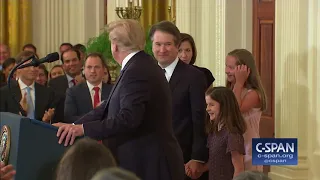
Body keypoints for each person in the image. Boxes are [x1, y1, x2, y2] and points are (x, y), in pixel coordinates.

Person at [54, 19, 185, 180]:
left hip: (149, 165)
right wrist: (74, 126)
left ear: (114, 45)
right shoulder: (138, 65)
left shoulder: (136, 70)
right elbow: (107, 107)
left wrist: (83, 129)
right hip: (145, 162)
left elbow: (128, 118)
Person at [187, 86, 246, 180]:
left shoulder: (232, 134)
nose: (207, 109)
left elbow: (239, 169)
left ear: (224, 106)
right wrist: (202, 169)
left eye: (211, 104)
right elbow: (216, 160)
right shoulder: (214, 132)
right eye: (207, 105)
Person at [225, 49, 267, 171]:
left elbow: (235, 111)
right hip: (234, 146)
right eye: (226, 66)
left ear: (244, 70)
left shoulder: (253, 94)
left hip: (249, 148)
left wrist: (239, 83)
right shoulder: (233, 90)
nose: (226, 71)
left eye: (231, 67)